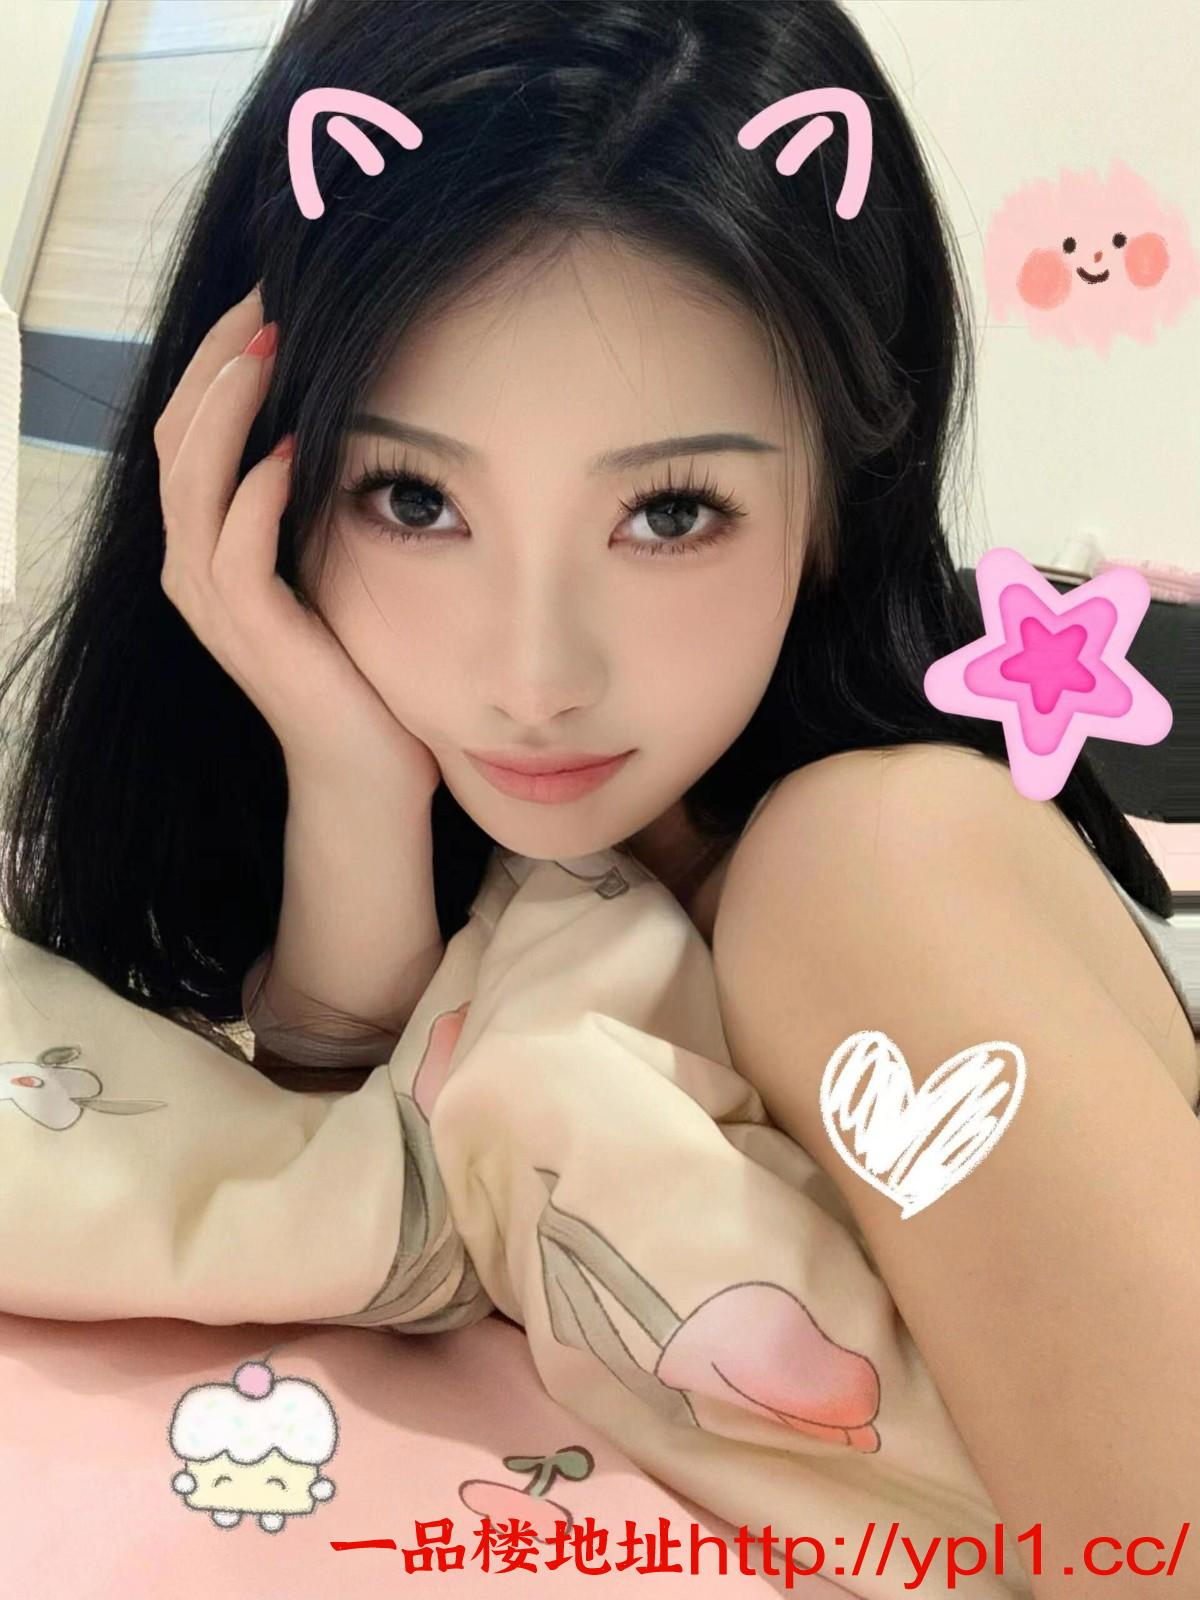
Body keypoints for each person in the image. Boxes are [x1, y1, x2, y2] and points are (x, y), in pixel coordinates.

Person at [0, 0, 1195, 1579]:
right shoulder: (556, 866)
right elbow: (354, 1148)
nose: (535, 673)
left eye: (672, 512)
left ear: (839, 498)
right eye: (412, 496)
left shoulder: (872, 859)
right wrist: (348, 770)